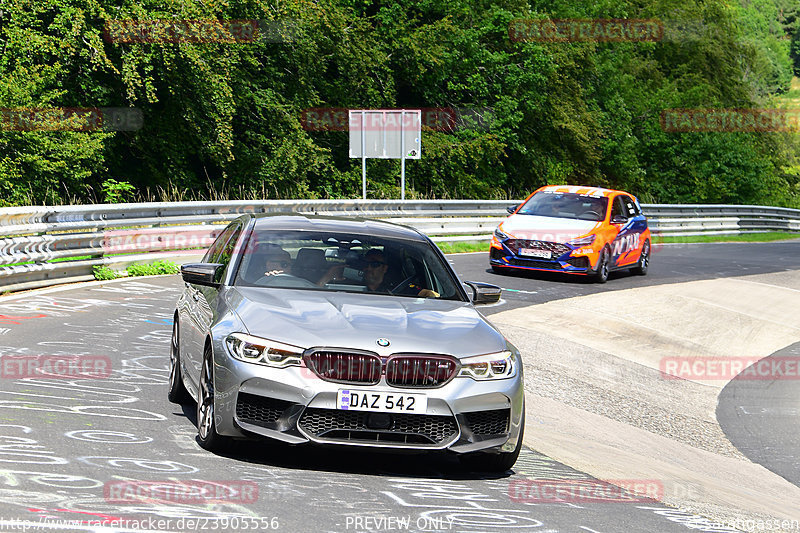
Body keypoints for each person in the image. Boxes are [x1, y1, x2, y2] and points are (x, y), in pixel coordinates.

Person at [362, 249, 439, 298]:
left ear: (384, 268)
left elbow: (427, 293)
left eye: (374, 264)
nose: (368, 268)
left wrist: (431, 296)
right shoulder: (352, 285)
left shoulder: (399, 289)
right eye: (365, 264)